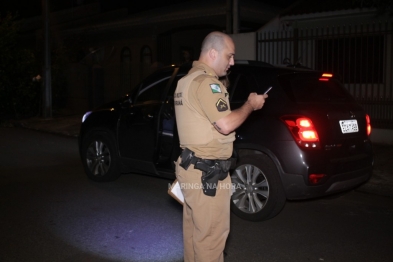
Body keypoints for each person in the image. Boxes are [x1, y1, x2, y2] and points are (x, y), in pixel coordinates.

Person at [174, 31, 267, 262]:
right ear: (213, 53)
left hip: (191, 169)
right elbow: (225, 125)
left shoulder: (185, 81)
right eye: (230, 56)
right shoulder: (207, 83)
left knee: (195, 235)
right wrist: (250, 105)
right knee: (211, 240)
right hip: (208, 176)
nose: (232, 62)